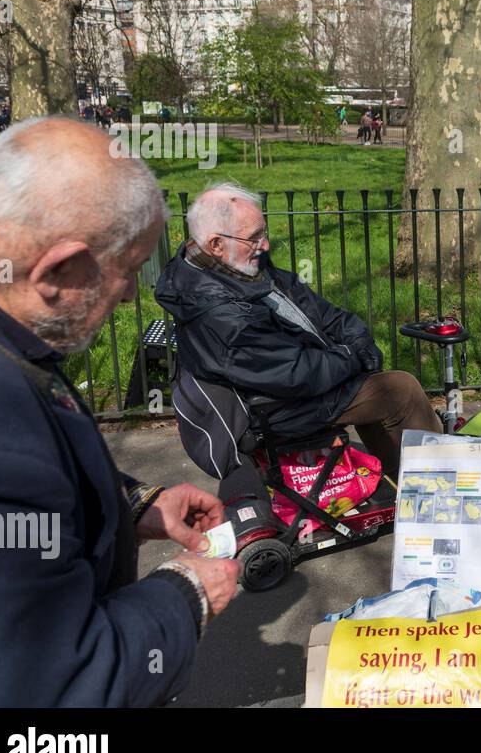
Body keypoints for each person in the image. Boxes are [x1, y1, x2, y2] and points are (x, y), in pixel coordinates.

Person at [0, 117, 240, 706]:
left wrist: (128, 501)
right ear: (60, 269)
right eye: (130, 269)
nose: (133, 294)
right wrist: (183, 595)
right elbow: (48, 690)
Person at [155, 184, 441, 524]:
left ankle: (400, 478)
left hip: (298, 379)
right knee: (399, 391)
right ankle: (441, 489)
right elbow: (294, 373)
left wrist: (356, 343)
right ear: (217, 244)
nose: (266, 244)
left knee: (377, 383)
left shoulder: (240, 266)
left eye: (264, 232)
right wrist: (353, 357)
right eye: (255, 236)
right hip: (276, 406)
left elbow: (323, 312)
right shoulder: (217, 311)